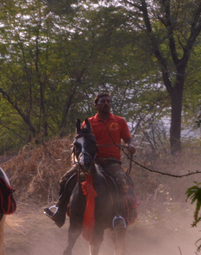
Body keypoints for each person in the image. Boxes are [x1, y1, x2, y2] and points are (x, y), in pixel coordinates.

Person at [43, 92, 137, 228]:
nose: (106, 104)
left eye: (108, 101)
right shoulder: (88, 123)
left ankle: (118, 216)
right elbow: (80, 141)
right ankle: (59, 210)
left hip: (112, 162)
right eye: (103, 101)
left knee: (121, 182)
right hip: (91, 162)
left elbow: (128, 139)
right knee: (65, 179)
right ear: (96, 105)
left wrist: (131, 145)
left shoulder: (119, 121)